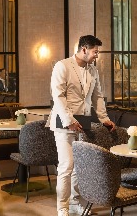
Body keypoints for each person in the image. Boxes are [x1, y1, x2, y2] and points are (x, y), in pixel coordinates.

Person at [48, 35, 116, 216]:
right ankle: (62, 208)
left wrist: (104, 118)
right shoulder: (62, 66)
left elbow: (98, 97)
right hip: (63, 121)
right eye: (95, 51)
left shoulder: (93, 70)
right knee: (66, 165)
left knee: (79, 166)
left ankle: (74, 202)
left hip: (84, 121)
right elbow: (58, 96)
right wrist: (69, 120)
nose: (97, 55)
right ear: (84, 49)